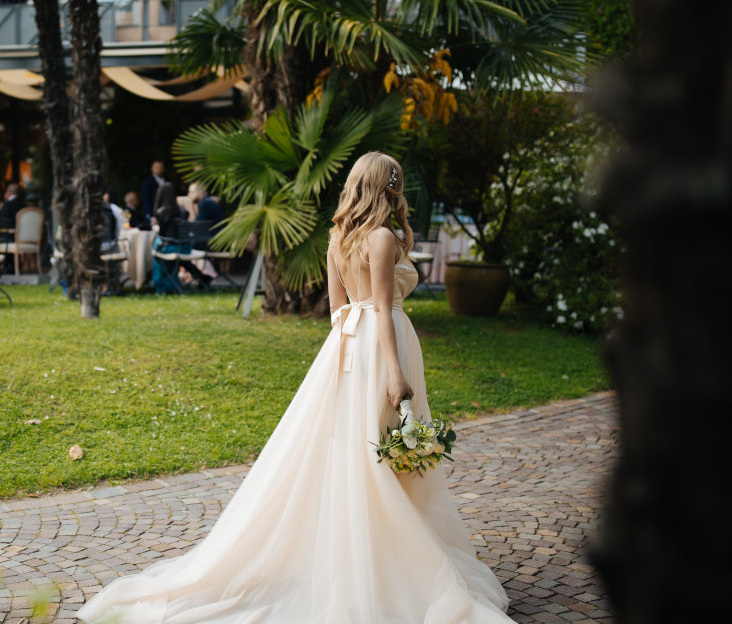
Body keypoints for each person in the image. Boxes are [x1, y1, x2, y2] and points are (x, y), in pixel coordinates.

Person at [78, 152, 515, 624]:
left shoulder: (338, 237)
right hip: (381, 347)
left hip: (347, 347)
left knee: (359, 450)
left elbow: (338, 310)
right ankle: (385, 564)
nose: (399, 192)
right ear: (388, 187)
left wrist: (347, 355)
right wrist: (395, 372)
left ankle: (361, 554)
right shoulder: (382, 237)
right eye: (396, 184)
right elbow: (382, 309)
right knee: (384, 454)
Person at [150, 183, 209, 293]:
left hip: (172, 248)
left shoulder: (161, 212)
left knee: (156, 249)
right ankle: (197, 278)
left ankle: (161, 285)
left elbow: (163, 235)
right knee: (172, 253)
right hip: (185, 248)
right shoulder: (183, 211)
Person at [188, 182, 224, 249]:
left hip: (214, 242)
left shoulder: (205, 204)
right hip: (214, 239)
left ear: (201, 193)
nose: (189, 195)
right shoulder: (207, 202)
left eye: (192, 192)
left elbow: (196, 225)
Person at [140, 160, 167, 229]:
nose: (158, 169)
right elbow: (146, 200)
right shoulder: (148, 182)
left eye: (160, 167)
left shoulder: (166, 181)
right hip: (154, 215)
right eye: (156, 167)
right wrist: (150, 216)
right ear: (152, 169)